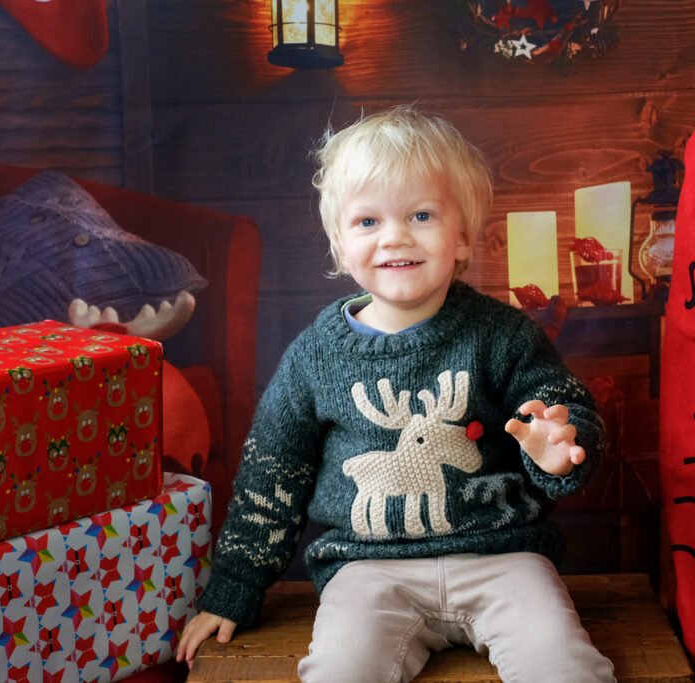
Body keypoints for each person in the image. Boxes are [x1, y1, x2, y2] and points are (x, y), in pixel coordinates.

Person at [176, 105, 615, 683]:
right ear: (338, 245)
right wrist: (234, 588)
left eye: (422, 214)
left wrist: (559, 445)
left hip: (504, 559)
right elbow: (271, 475)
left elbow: (562, 409)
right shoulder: (315, 356)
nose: (395, 236)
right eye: (367, 222)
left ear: (461, 238)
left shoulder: (503, 335)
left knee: (564, 665)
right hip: (368, 569)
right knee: (339, 670)